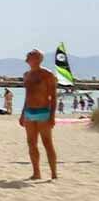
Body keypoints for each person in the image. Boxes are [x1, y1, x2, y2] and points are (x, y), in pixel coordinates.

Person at [20, 49, 58, 180]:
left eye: (31, 55)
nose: (28, 56)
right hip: (29, 112)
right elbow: (27, 96)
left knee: (47, 143)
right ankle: (36, 172)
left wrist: (52, 116)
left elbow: (53, 96)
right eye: (28, 55)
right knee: (31, 143)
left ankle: (53, 173)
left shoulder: (47, 74)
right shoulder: (26, 75)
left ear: (38, 58)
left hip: (43, 111)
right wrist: (22, 114)